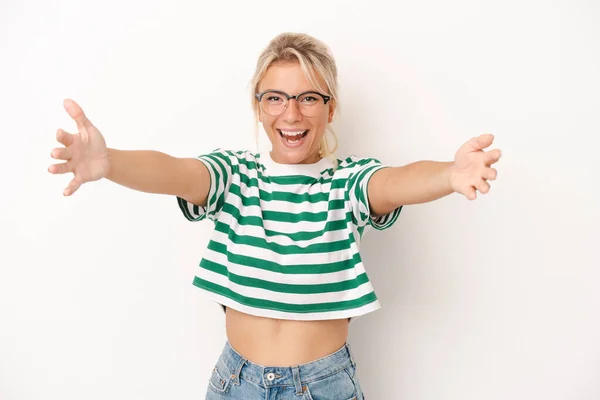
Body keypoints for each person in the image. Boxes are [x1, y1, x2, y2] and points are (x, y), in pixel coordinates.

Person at [48, 32, 501, 400]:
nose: (291, 113)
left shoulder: (346, 182)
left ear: (330, 108)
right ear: (259, 107)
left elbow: (395, 182)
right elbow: (174, 171)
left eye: (308, 97)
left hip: (322, 386)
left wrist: (449, 173)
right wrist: (110, 162)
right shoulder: (235, 174)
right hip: (235, 383)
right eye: (275, 98)